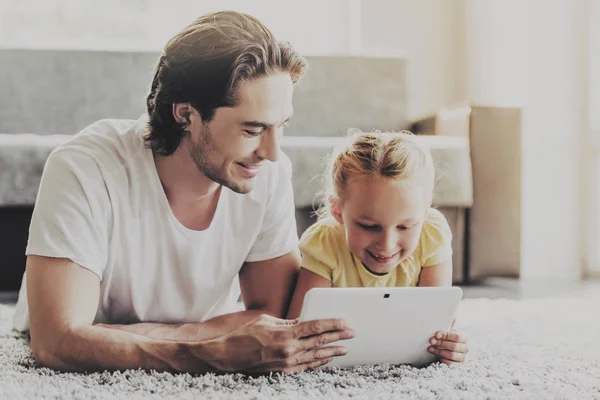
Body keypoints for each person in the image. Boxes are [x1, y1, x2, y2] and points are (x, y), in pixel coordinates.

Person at [12, 10, 355, 374]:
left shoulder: (269, 171)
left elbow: (272, 317)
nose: (271, 152)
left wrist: (127, 336)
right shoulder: (85, 168)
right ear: (186, 115)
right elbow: (57, 342)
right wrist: (212, 350)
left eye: (281, 126)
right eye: (252, 130)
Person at [286, 130, 469, 365]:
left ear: (424, 213)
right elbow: (297, 334)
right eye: (369, 226)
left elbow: (436, 330)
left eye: (405, 227)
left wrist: (449, 346)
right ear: (337, 212)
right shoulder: (324, 243)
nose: (387, 245)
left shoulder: (431, 234)